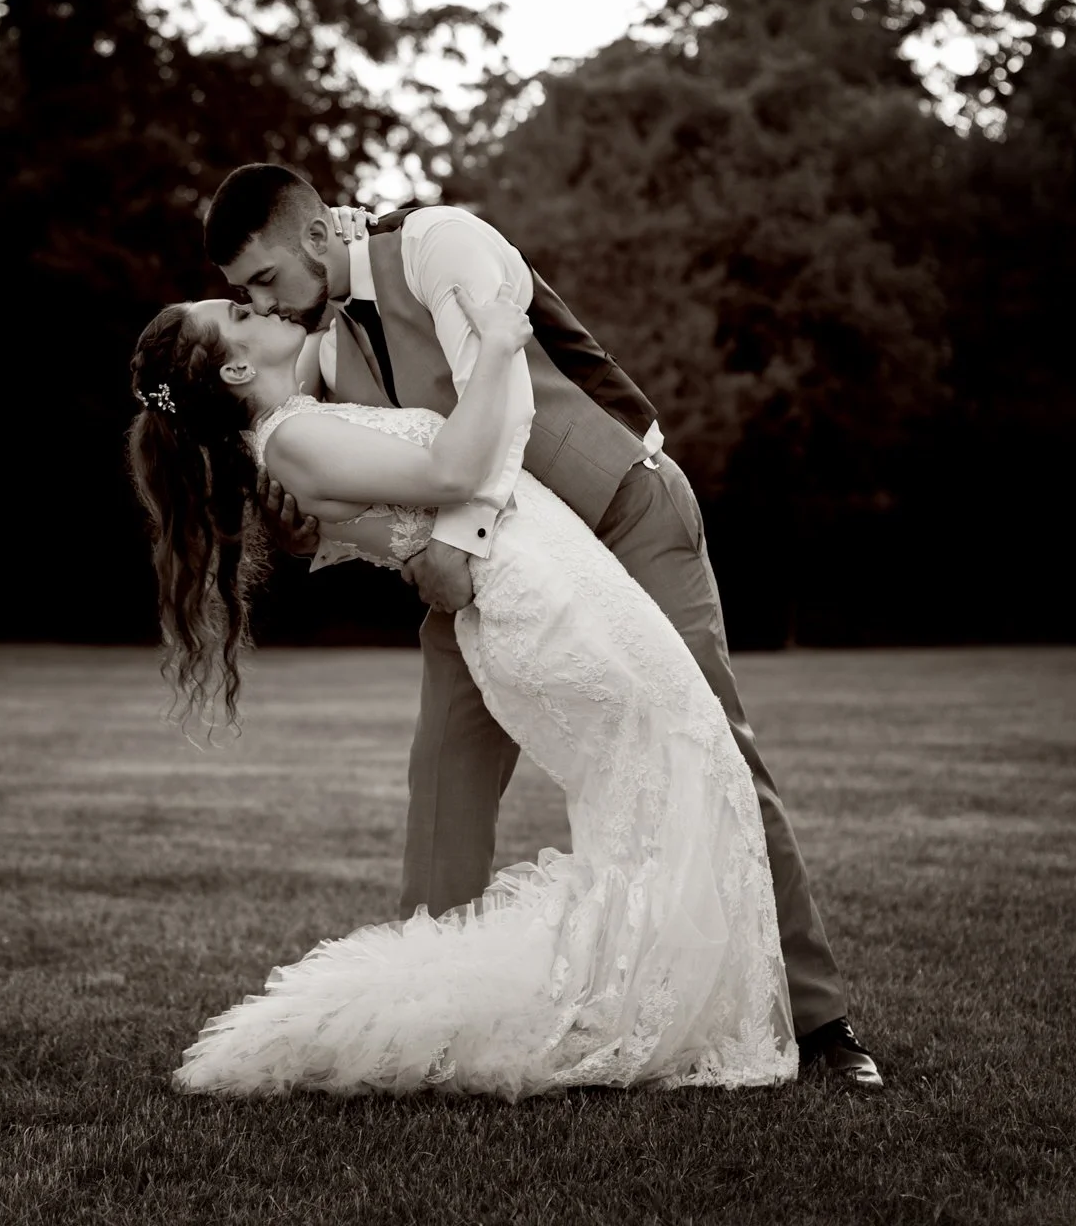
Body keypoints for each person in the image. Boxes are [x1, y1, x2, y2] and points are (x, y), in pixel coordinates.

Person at [202, 163, 883, 1089]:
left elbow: (505, 393)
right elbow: (340, 478)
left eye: (265, 281)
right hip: (490, 580)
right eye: (245, 298)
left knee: (714, 747)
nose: (262, 303)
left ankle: (820, 1024)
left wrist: (452, 540)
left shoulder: (442, 242)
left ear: (318, 233)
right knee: (442, 776)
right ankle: (417, 1027)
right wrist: (321, 524)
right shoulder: (321, 353)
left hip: (623, 517)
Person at [127, 288, 795, 1096]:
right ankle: (621, 1006)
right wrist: (502, 343)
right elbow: (454, 468)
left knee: (670, 776)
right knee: (676, 763)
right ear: (236, 366)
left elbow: (336, 350)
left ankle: (654, 997)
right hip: (536, 604)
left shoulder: (301, 416)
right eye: (238, 313)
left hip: (551, 576)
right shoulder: (292, 439)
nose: (258, 308)